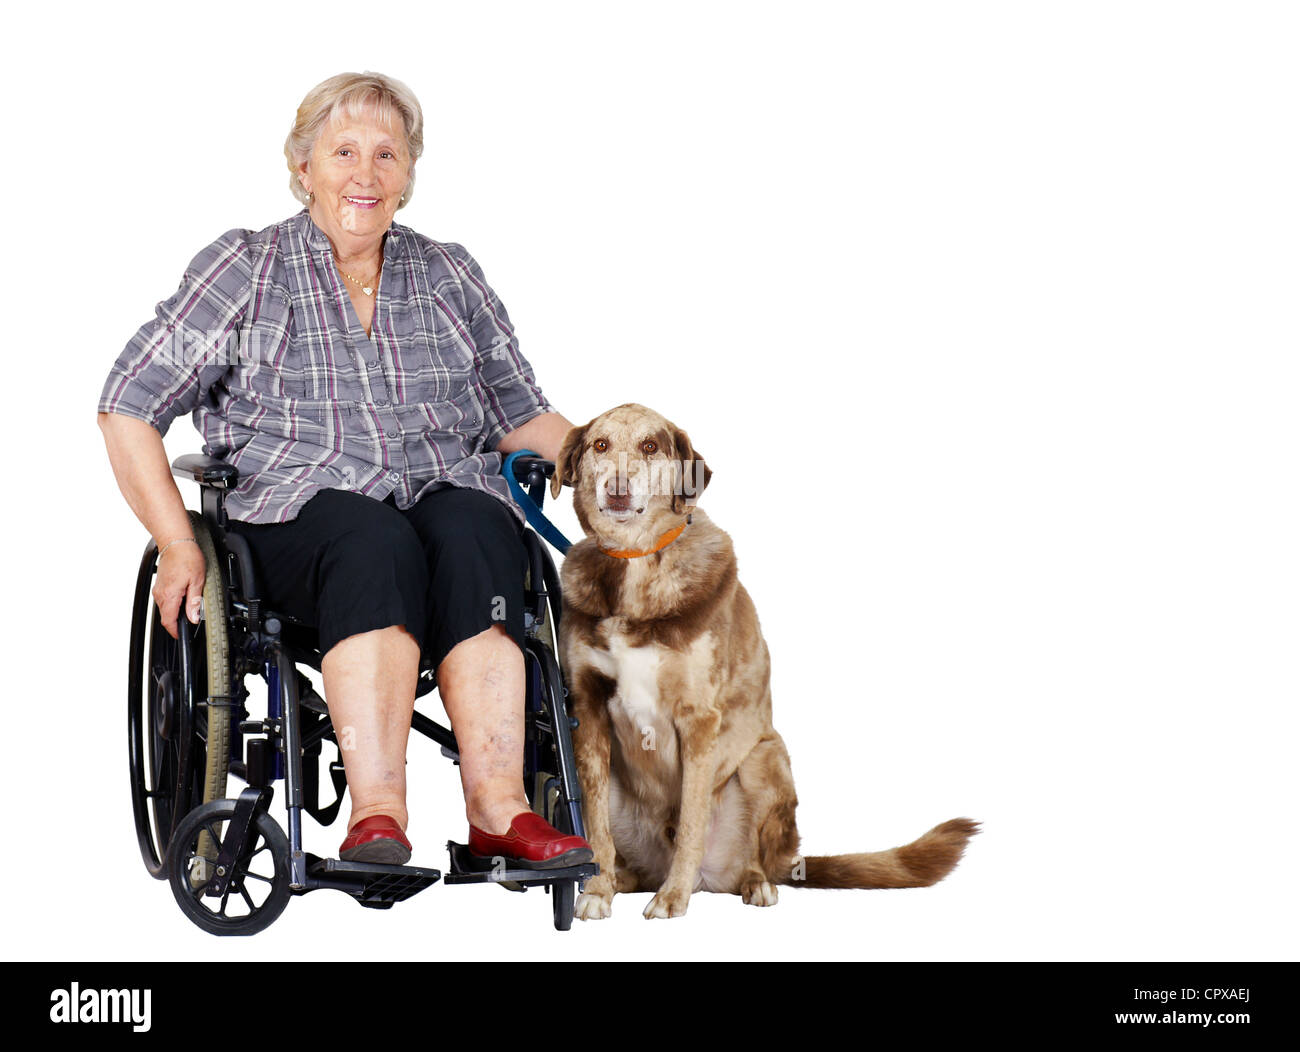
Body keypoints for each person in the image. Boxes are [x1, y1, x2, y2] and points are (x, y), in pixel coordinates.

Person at [98, 71, 592, 869]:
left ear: (407, 177)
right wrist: (177, 542)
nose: (365, 174)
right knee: (371, 537)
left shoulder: (449, 275)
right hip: (298, 522)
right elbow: (127, 403)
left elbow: (516, 413)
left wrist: (609, 464)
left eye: (387, 155)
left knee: (477, 524)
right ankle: (378, 814)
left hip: (439, 503)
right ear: (304, 168)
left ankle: (501, 810)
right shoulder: (248, 269)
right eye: (344, 152)